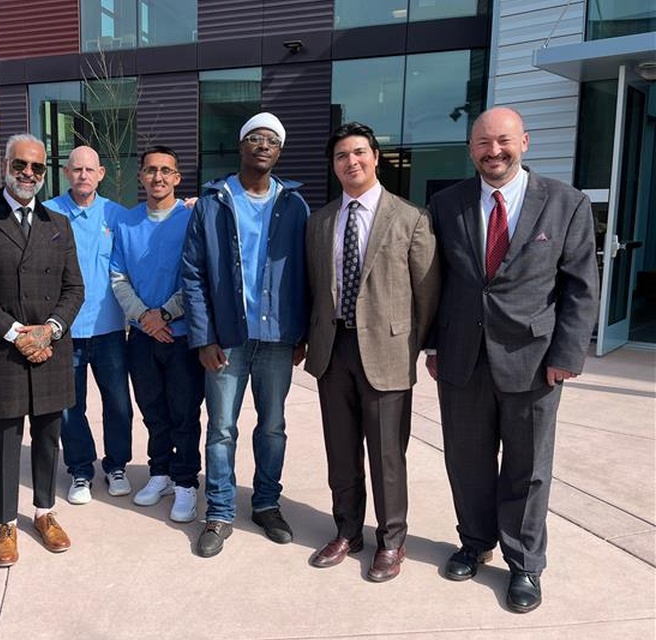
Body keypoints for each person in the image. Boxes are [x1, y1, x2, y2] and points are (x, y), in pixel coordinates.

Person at [426, 107, 598, 612]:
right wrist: (433, 345)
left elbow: (581, 286)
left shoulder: (565, 203)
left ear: (524, 141)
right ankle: (476, 543)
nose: (493, 151)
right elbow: (435, 282)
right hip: (462, 360)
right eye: (482, 143)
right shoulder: (446, 203)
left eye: (502, 141)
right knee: (467, 461)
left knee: (528, 468)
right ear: (471, 150)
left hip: (535, 359)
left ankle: (524, 563)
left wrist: (567, 353)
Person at [304, 122, 439, 581]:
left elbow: (428, 295)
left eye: (359, 152)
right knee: (340, 452)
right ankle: (347, 531)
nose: (351, 162)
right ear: (334, 165)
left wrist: (409, 346)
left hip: (386, 355)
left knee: (386, 456)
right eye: (342, 156)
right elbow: (312, 288)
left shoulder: (410, 218)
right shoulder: (320, 221)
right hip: (332, 350)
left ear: (375, 157)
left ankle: (392, 541)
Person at [182, 112, 310, 557]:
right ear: (240, 146)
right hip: (227, 338)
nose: (263, 145)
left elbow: (307, 274)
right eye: (254, 137)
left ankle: (267, 503)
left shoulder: (294, 205)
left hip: (277, 339)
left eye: (272, 140)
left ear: (280, 151)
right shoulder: (215, 201)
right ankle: (219, 511)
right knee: (220, 429)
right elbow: (193, 274)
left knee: (272, 426)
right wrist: (203, 336)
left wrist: (302, 333)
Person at [0, 133, 84, 568]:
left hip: (50, 348)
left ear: (45, 173)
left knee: (49, 436)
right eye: (20, 165)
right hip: (4, 350)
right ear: (5, 165)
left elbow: (74, 288)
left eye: (37, 167)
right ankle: (6, 522)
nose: (28, 173)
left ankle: (44, 513)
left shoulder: (57, 224)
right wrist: (16, 334)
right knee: (6, 439)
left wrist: (49, 331)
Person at [110, 145, 205, 522]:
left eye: (166, 170)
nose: (158, 177)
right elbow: (118, 277)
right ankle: (160, 473)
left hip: (181, 336)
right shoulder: (127, 223)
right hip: (143, 337)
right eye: (151, 170)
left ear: (177, 178)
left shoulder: (191, 218)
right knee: (152, 411)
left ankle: (186, 483)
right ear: (141, 177)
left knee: (184, 412)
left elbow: (198, 275)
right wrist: (144, 317)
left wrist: (164, 313)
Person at [41, 146, 134, 504]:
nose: (83, 174)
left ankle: (116, 465)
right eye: (76, 168)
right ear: (66, 172)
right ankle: (80, 470)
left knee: (118, 402)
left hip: (109, 328)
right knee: (70, 406)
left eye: (89, 169)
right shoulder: (48, 213)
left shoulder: (118, 215)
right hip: (65, 329)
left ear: (101, 173)